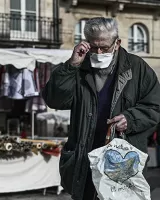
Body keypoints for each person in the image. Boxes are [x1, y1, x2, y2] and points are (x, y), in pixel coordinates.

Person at [42, 17, 160, 200]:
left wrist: (131, 118)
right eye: (93, 46)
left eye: (104, 47)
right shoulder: (78, 67)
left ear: (117, 43)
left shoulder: (138, 68)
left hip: (121, 162)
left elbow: (155, 107)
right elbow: (54, 100)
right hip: (84, 159)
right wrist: (71, 66)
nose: (98, 52)